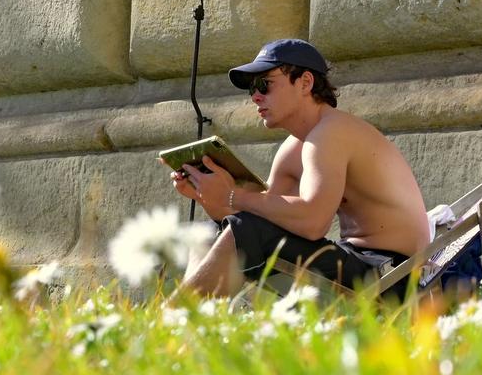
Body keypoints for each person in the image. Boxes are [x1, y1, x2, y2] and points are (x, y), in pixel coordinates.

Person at [171, 38, 431, 298]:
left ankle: (173, 321)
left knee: (247, 229)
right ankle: (190, 323)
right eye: (252, 89)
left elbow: (312, 222)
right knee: (209, 233)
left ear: (305, 82)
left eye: (265, 84)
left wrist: (233, 195)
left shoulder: (332, 132)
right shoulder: (294, 148)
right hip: (357, 263)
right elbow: (262, 220)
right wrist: (207, 194)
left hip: (393, 274)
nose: (256, 97)